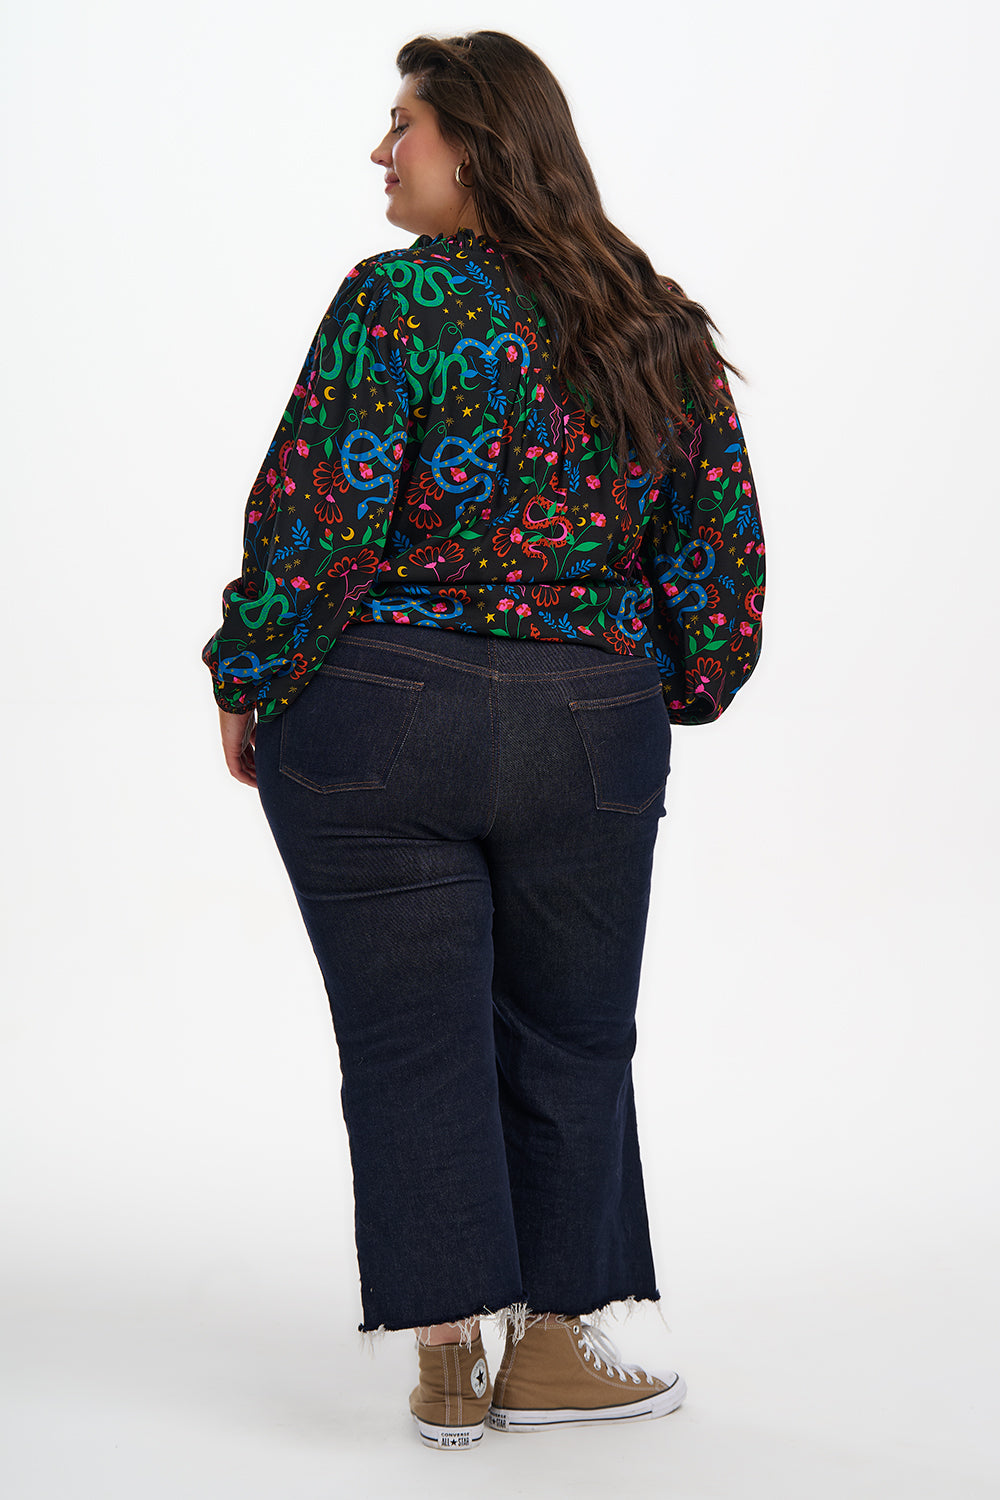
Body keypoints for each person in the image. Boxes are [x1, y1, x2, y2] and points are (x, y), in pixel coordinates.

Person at [203, 30, 764, 1451]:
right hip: (590, 720)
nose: (383, 153)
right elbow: (720, 566)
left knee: (411, 1040)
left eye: (405, 125)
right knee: (573, 1036)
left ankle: (449, 1362)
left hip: (382, 711)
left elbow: (318, 512)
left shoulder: (397, 304)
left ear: (483, 144)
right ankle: (560, 1347)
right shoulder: (657, 324)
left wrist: (252, 671)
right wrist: (665, 689)